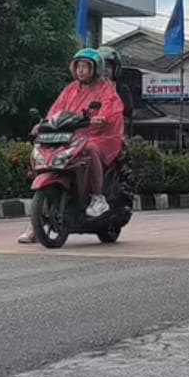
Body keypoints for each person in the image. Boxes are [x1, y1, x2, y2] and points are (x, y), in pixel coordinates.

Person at [18, 48, 125, 243]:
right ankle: (36, 223)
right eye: (79, 67)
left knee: (90, 148)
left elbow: (112, 108)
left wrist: (102, 118)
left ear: (95, 69)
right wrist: (43, 124)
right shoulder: (70, 89)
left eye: (86, 67)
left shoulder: (105, 88)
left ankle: (97, 198)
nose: (82, 71)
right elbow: (56, 110)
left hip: (100, 136)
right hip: (72, 135)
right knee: (47, 154)